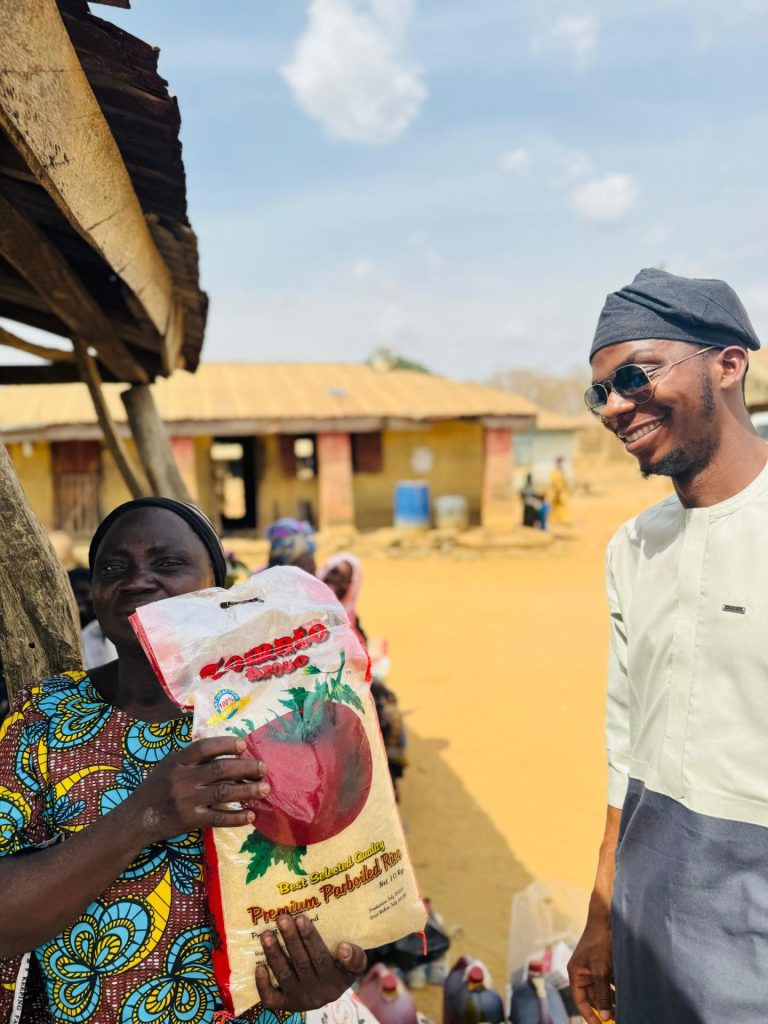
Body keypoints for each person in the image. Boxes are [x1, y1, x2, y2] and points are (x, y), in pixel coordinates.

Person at [0, 497, 366, 1023]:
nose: (137, 580)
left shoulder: (278, 705)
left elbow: (345, 876)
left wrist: (326, 970)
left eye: (168, 563)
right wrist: (145, 816)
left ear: (217, 588)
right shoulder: (47, 718)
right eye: (113, 567)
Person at [568, 268, 768, 1023]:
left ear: (728, 363)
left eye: (635, 374)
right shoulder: (633, 548)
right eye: (601, 392)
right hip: (651, 904)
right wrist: (603, 913)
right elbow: (628, 741)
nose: (616, 405)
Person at [318, 554, 407, 799]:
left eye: (344, 577)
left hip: (350, 679)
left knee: (386, 711)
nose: (335, 580)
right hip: (316, 679)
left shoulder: (351, 616)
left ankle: (388, 781)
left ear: (353, 584)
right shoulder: (307, 606)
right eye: (332, 572)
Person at [545, 456, 571, 526]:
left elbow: (564, 482)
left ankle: (564, 520)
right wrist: (556, 490)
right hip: (554, 492)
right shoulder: (554, 472)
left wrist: (567, 490)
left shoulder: (562, 471)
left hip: (561, 492)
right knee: (553, 506)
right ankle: (552, 520)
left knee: (563, 505)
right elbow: (553, 482)